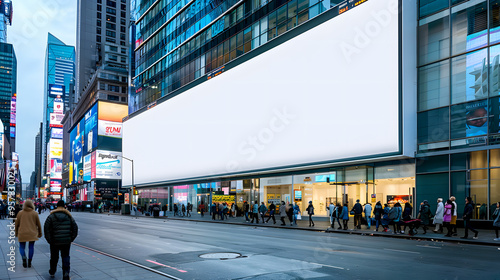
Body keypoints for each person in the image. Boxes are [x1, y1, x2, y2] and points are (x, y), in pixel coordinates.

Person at [44, 200, 78, 280]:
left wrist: (49, 239)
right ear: (64, 206)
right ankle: (66, 273)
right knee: (65, 257)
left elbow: (46, 228)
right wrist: (71, 238)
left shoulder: (51, 216)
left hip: (54, 241)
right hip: (66, 241)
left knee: (54, 257)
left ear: (57, 206)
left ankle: (52, 271)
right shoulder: (69, 216)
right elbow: (75, 228)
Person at [15, 200, 42, 268]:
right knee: (31, 247)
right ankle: (29, 262)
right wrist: (40, 233)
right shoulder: (35, 213)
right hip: (32, 233)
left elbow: (16, 224)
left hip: (22, 233)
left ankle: (24, 258)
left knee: (21, 247)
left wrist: (16, 232)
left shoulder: (20, 213)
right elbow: (38, 224)